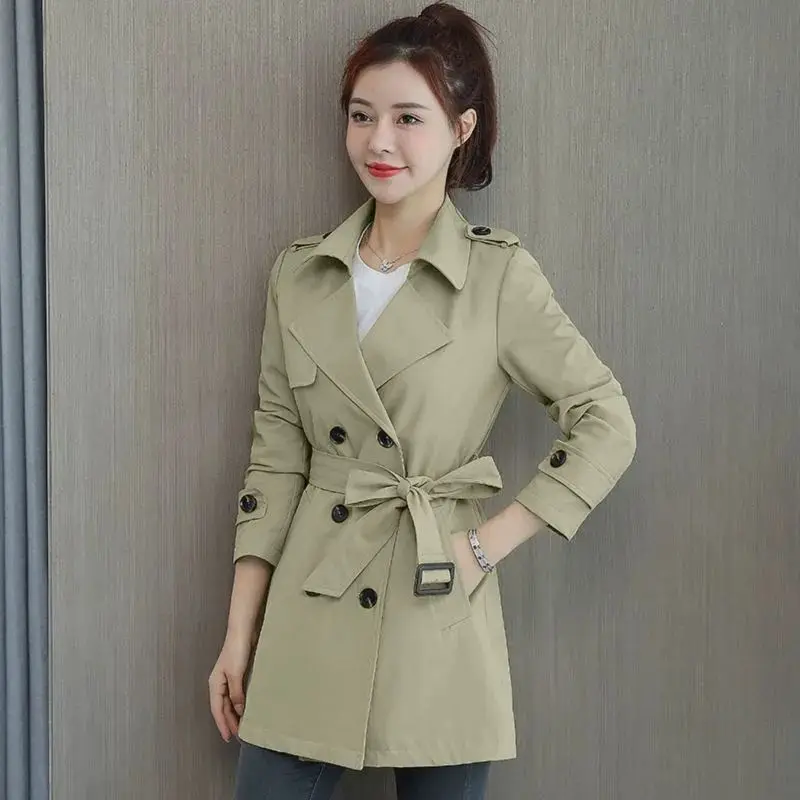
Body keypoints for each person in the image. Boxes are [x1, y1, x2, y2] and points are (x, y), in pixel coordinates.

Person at [209, 3, 637, 798]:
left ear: (461, 129)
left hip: (435, 595)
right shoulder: (299, 275)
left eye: (409, 118)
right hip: (312, 603)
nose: (379, 141)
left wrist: (487, 546)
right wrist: (240, 633)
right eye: (362, 115)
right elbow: (275, 459)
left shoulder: (497, 277)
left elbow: (605, 419)